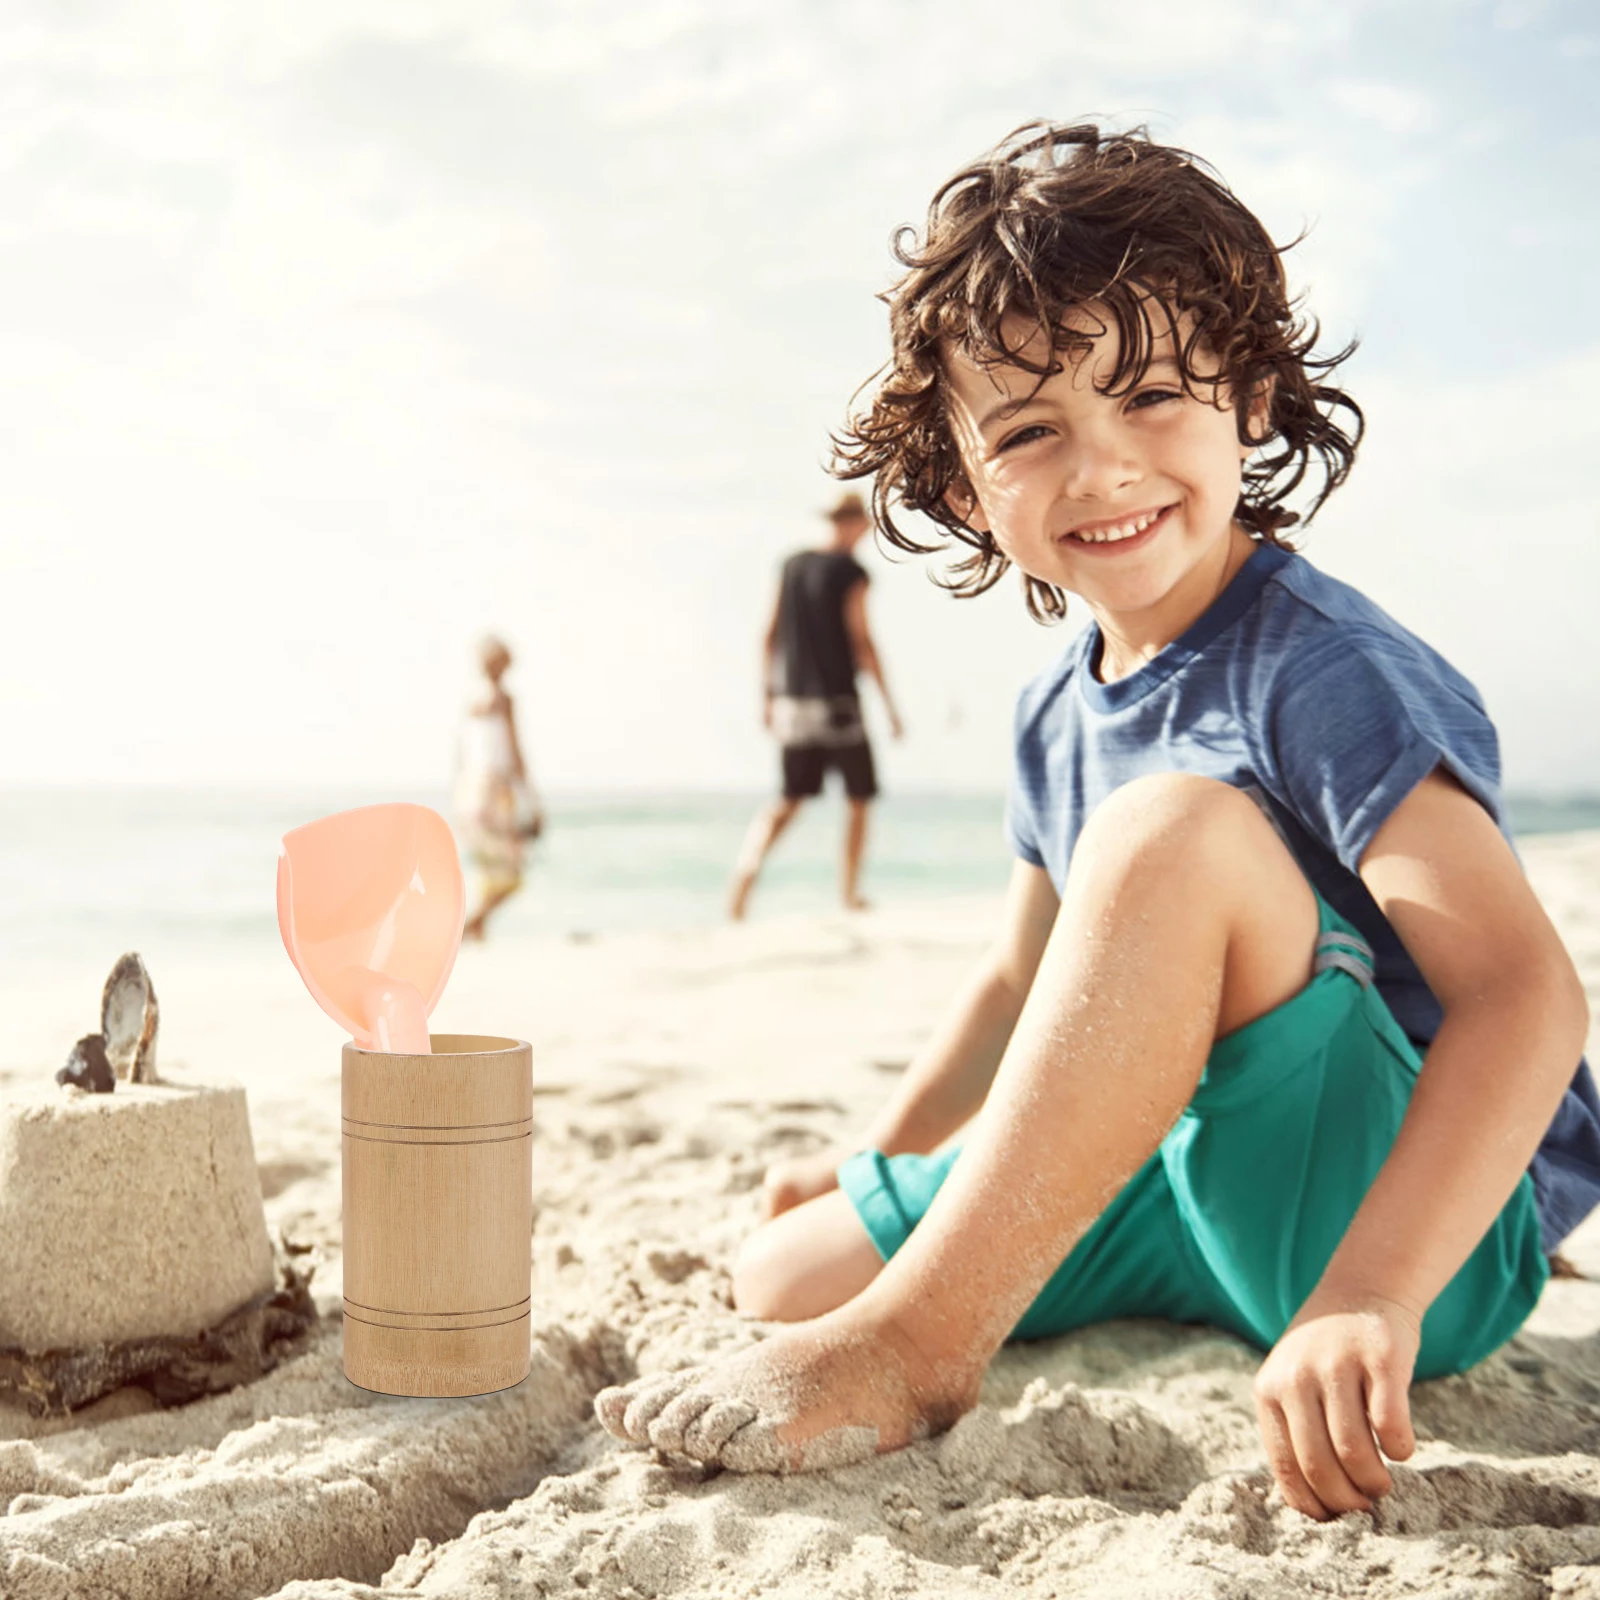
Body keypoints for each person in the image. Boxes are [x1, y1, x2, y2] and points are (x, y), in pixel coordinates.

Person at [596, 122, 1600, 1515]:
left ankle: (916, 1348)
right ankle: (915, 1297)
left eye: (1150, 400)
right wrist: (883, 1154)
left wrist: (1367, 1295)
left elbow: (1527, 996)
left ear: (1250, 398)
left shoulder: (1323, 667)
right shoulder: (1054, 711)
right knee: (787, 1266)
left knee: (1169, 833)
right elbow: (1023, 985)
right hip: (1195, 1184)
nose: (1103, 468)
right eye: (1028, 431)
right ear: (961, 486)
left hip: (1407, 1233)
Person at [727, 492, 904, 920]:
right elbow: (862, 641)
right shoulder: (852, 573)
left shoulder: (792, 565)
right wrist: (890, 707)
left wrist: (767, 697)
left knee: (789, 798)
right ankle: (848, 892)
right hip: (838, 701)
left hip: (792, 703)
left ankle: (745, 874)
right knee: (859, 797)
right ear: (856, 523)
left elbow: (768, 634)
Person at [453, 634, 543, 942]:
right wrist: (533, 800)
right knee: (511, 871)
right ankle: (473, 923)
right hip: (497, 790)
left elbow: (461, 753)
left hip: (470, 792)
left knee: (491, 867)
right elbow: (516, 753)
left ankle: (478, 928)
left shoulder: (470, 703)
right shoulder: (504, 700)